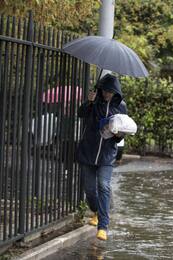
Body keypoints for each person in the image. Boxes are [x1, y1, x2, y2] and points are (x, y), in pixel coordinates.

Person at [77, 74, 127, 241]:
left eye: (110, 92)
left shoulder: (122, 107)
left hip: (107, 154)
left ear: (116, 92)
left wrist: (118, 134)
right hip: (88, 152)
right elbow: (80, 113)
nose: (107, 94)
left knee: (103, 185)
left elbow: (122, 133)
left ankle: (103, 226)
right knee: (90, 189)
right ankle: (97, 211)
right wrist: (89, 102)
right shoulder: (94, 102)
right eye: (105, 91)